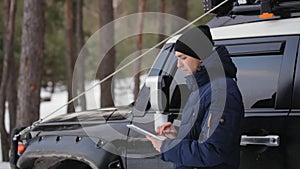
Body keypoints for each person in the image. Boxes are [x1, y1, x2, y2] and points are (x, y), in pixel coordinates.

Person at [146, 25, 244, 169]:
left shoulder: (222, 92)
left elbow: (213, 150)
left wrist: (167, 147)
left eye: (183, 58)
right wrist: (177, 135)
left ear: (201, 57)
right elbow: (201, 136)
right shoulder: (202, 89)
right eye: (177, 58)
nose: (179, 65)